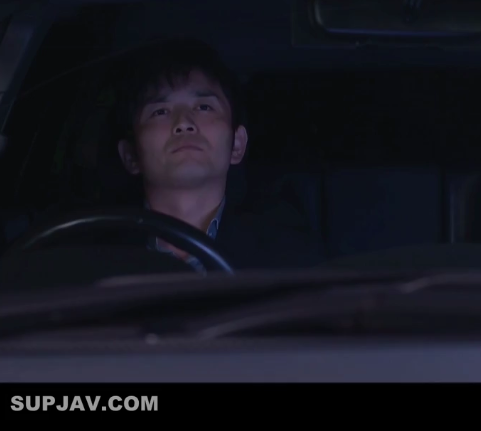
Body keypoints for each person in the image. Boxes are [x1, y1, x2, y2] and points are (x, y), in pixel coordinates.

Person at [111, 37, 323, 272]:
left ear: (237, 144)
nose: (184, 123)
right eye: (160, 112)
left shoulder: (286, 255)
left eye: (204, 107)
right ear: (130, 155)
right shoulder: (94, 255)